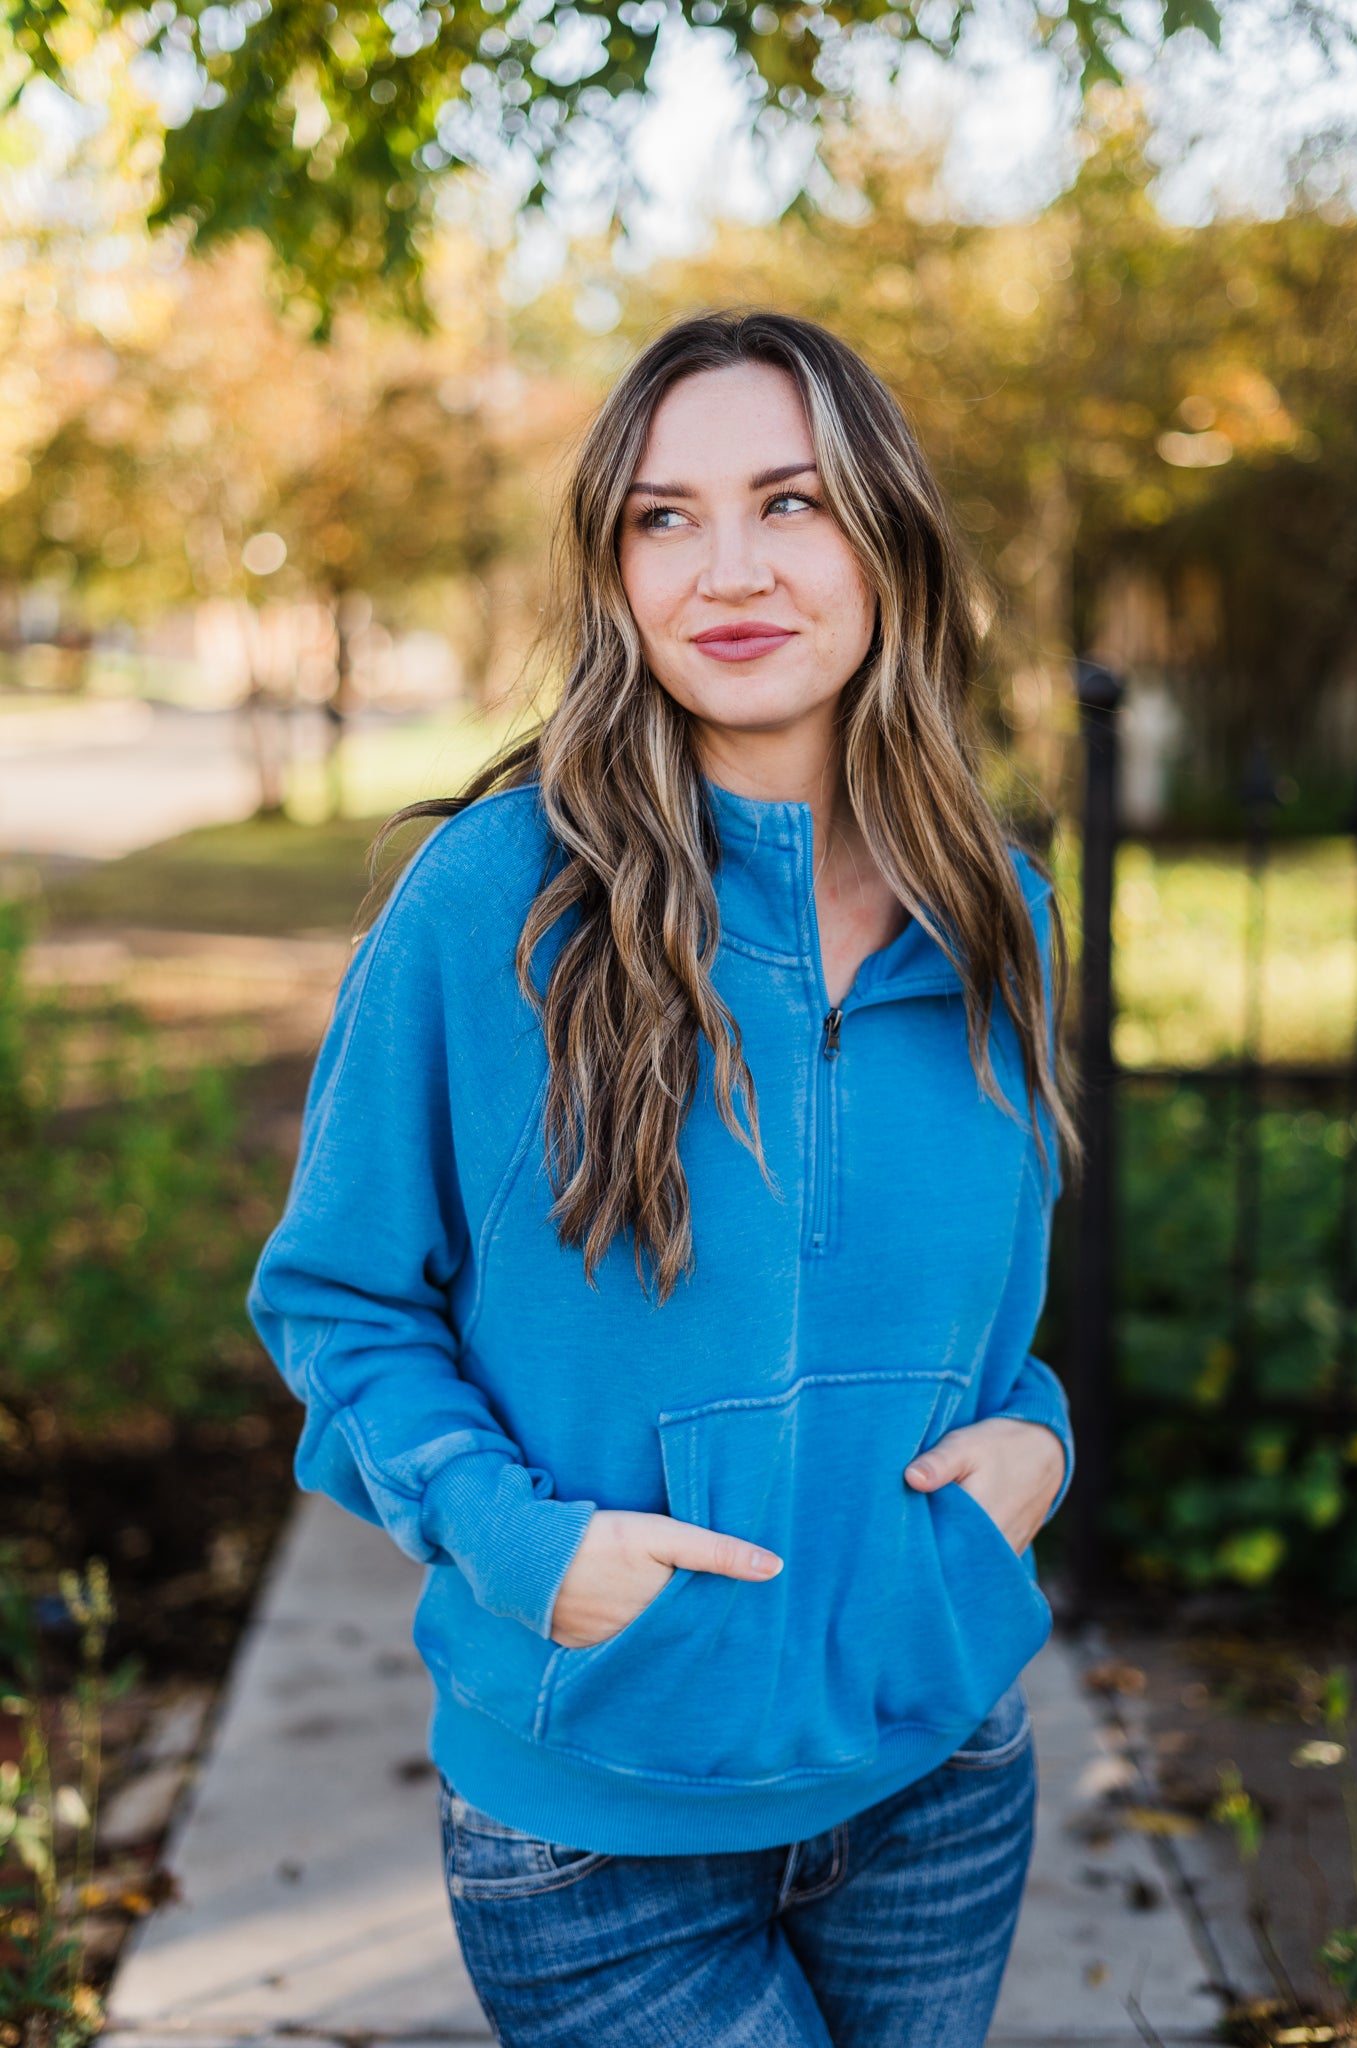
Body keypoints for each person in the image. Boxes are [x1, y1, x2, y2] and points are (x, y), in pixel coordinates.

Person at [248, 309, 1079, 2048]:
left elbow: (980, 1301)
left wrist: (1036, 1434)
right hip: (600, 1827)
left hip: (939, 1772)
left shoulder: (998, 904)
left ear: (884, 537)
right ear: (615, 572)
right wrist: (516, 1545)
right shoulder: (499, 901)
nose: (728, 569)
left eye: (789, 502)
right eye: (661, 518)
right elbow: (338, 1298)